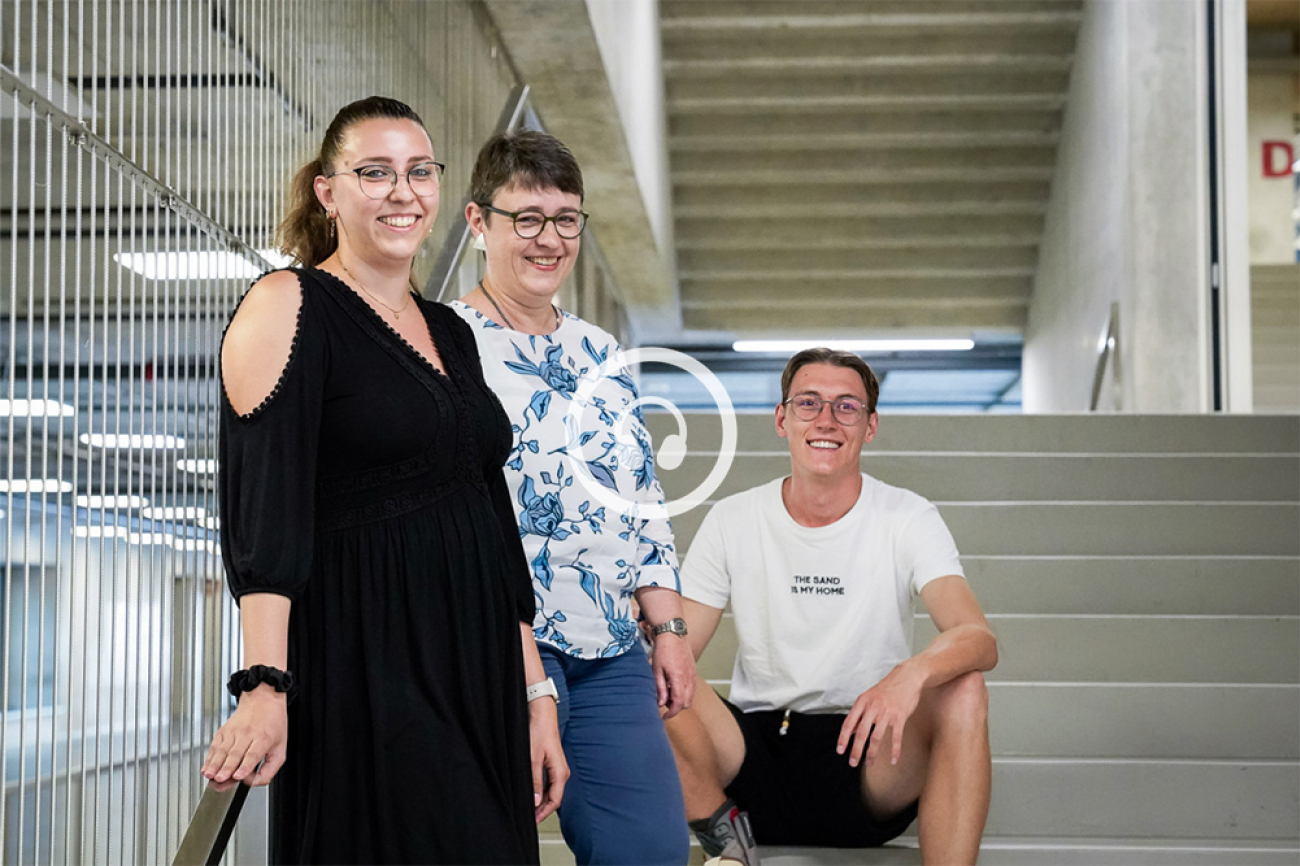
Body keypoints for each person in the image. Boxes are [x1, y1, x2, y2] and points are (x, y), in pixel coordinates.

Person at [200, 96, 566, 864]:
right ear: (328, 193)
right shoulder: (288, 303)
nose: (403, 192)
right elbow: (266, 508)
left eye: (419, 172)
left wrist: (534, 695)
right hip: (370, 660)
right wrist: (264, 684)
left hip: (478, 668)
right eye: (375, 172)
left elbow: (491, 521)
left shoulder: (451, 331)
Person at [450, 130, 694, 865]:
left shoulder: (601, 353)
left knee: (649, 851)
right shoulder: (443, 345)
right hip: (497, 643)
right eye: (526, 217)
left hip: (610, 647)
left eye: (565, 219)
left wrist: (671, 630)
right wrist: (528, 682)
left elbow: (638, 497)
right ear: (477, 221)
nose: (548, 239)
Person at [665, 348, 998, 866]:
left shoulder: (907, 516)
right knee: (642, 665)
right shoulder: (733, 518)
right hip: (751, 758)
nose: (826, 420)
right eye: (809, 403)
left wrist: (911, 674)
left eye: (847, 407)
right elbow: (678, 656)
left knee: (964, 685)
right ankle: (727, 847)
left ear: (870, 426)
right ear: (781, 419)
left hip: (868, 758)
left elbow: (977, 637)